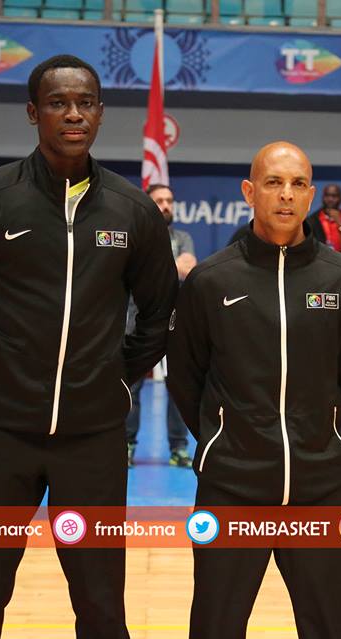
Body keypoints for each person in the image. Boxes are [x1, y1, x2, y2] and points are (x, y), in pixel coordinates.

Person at [0, 54, 178, 639]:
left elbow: (161, 313)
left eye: (85, 103)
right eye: (58, 103)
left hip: (93, 437)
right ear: (33, 113)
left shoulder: (133, 210)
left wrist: (116, 376)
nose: (73, 115)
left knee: (100, 602)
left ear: (101, 113)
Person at [167, 141, 341, 639]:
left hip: (319, 487)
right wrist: (223, 439)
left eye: (298, 184)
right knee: (215, 626)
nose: (286, 195)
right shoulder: (211, 281)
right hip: (232, 487)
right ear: (249, 191)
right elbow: (186, 376)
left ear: (311, 195)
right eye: (273, 182)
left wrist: (328, 436)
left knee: (331, 627)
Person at [125, 182, 194, 467]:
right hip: (137, 322)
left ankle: (178, 448)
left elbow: (188, 268)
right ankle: (126, 445)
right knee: (130, 388)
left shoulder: (183, 237)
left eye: (169, 200)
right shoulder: (136, 236)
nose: (166, 205)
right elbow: (133, 274)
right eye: (160, 201)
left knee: (176, 388)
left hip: (174, 323)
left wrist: (157, 268)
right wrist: (171, 267)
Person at [305, 183, 341, 259]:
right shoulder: (311, 221)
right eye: (327, 195)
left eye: (334, 196)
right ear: (322, 198)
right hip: (319, 263)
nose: (330, 199)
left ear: (340, 199)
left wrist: (340, 225)